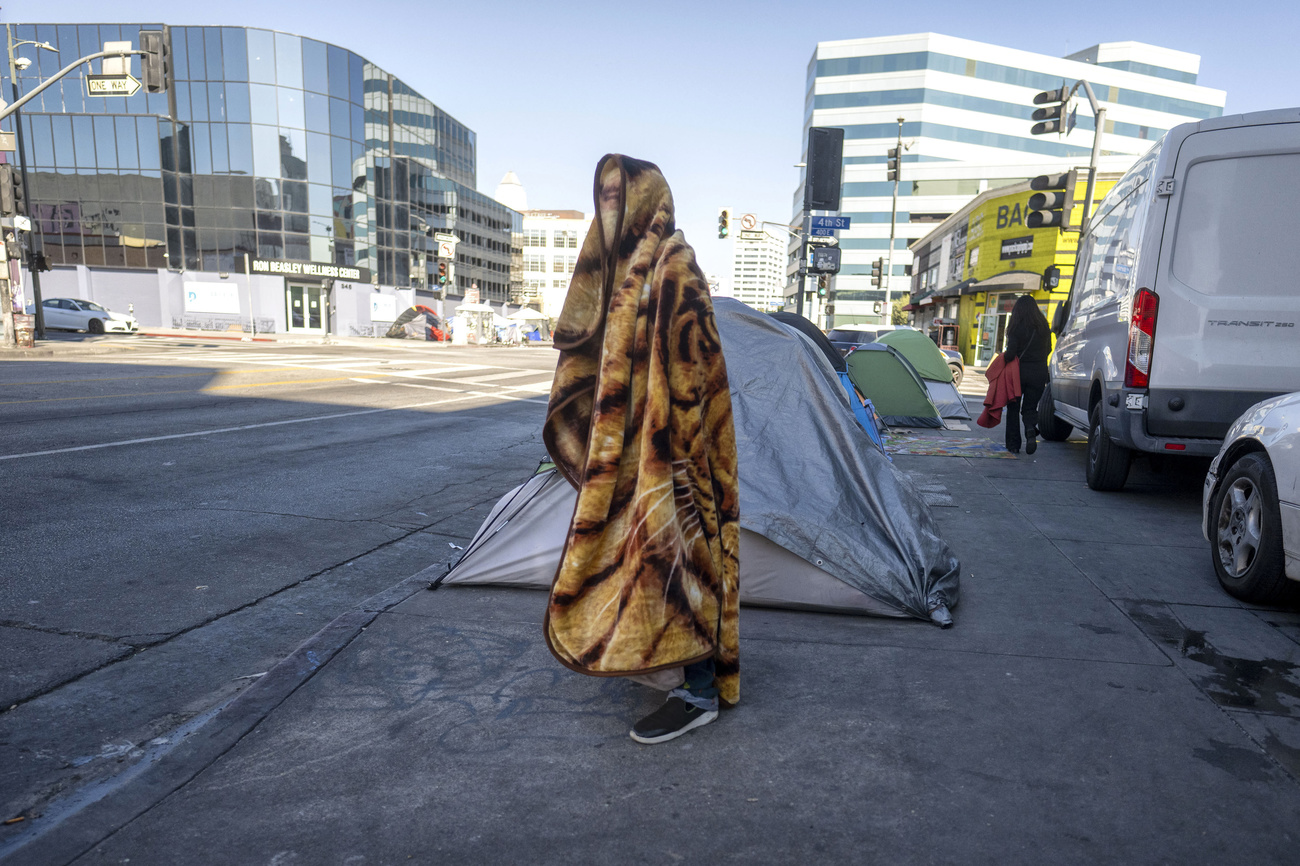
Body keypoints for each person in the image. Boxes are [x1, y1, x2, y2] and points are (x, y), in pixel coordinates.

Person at [1001, 294, 1052, 455]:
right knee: (1030, 407)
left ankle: (1014, 445)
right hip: (1039, 373)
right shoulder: (1043, 326)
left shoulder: (1016, 327)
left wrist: (1004, 357)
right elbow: (1049, 349)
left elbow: (1011, 354)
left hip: (1019, 374)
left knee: (1013, 407)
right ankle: (1030, 429)